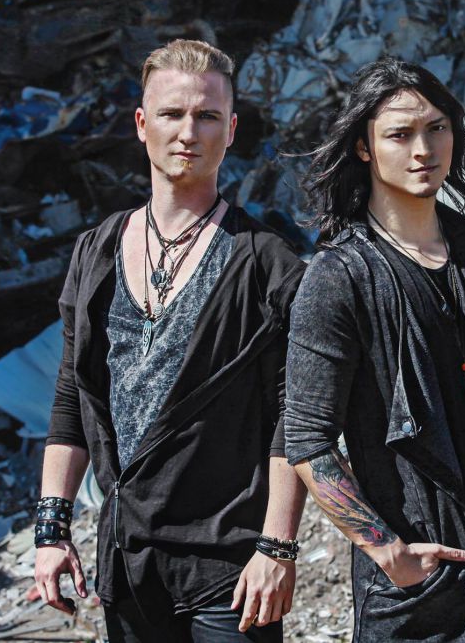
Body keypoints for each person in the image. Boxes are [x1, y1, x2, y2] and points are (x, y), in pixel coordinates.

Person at [285, 58, 465, 642]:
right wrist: (386, 551)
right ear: (364, 147)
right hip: (424, 578)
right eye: (400, 134)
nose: (423, 149)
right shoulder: (340, 277)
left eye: (437, 128)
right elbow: (308, 441)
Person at [34, 39, 307, 642]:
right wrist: (52, 529)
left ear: (230, 130)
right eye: (172, 113)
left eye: (207, 116)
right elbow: (72, 397)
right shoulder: (96, 251)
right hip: (128, 558)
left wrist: (278, 547)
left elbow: (293, 416)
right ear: (142, 124)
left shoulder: (268, 263)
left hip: (230, 565)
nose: (189, 132)